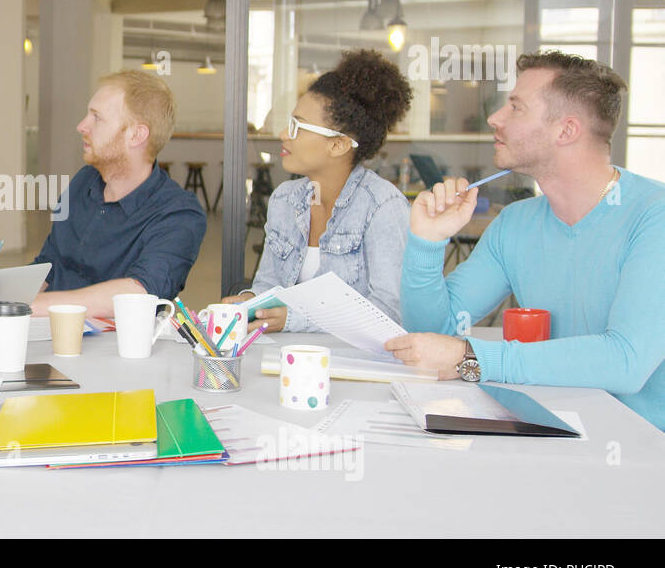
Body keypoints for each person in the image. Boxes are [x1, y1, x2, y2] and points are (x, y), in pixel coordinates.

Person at [387, 51, 665, 431]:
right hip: (552, 432)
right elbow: (435, 335)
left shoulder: (655, 216)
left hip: (644, 452)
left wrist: (471, 357)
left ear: (566, 130)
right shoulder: (516, 222)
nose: (495, 118)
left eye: (516, 107)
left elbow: (626, 361)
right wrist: (427, 242)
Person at [0, 70, 205, 318]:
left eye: (97, 117)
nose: (82, 125)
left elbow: (139, 293)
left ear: (136, 135)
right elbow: (49, 264)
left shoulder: (179, 213)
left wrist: (24, 308)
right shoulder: (85, 182)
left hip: (93, 339)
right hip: (37, 323)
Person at [223, 49, 412, 333]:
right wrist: (250, 303)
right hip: (284, 360)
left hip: (349, 368)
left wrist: (295, 320)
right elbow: (268, 285)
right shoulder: (285, 199)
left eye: (298, 126)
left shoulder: (382, 207)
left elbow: (388, 313)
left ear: (338, 145)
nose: (284, 134)